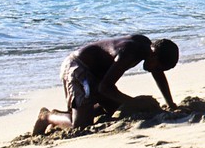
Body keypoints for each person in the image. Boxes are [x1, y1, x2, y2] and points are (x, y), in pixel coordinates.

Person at [32, 35, 180, 135]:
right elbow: (104, 88)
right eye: (157, 66)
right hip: (78, 68)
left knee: (117, 110)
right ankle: (47, 117)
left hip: (98, 76)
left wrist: (170, 103)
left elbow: (158, 74)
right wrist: (135, 103)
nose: (156, 70)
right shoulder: (129, 52)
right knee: (80, 126)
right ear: (154, 53)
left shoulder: (148, 49)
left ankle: (84, 109)